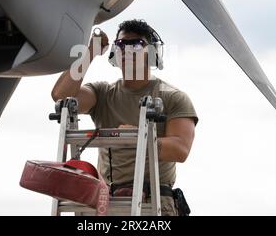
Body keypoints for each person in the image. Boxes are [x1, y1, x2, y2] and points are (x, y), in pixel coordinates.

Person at [51, 19, 198, 216]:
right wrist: (90, 52)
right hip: (106, 202)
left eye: (136, 44)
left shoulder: (172, 96)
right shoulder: (103, 93)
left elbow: (180, 150)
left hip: (153, 203)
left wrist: (140, 139)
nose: (128, 50)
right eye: (121, 45)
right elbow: (61, 95)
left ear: (151, 52)